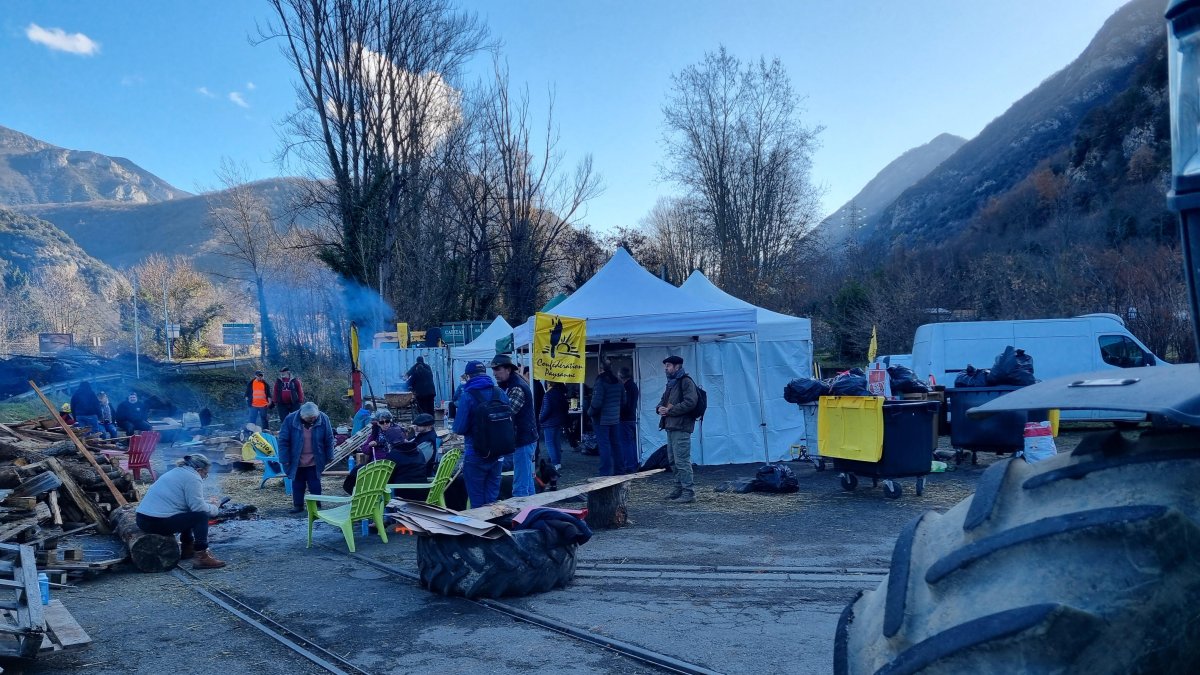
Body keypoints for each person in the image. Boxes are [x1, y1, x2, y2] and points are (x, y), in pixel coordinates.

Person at [135, 454, 226, 569]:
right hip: (155, 522)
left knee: (188, 513)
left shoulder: (178, 471)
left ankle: (187, 548)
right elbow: (199, 508)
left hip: (143, 518)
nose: (205, 477)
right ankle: (201, 556)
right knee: (201, 516)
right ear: (199, 470)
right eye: (205, 473)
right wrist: (215, 508)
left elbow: (185, 501)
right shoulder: (193, 477)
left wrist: (207, 502)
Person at [453, 361, 509, 507]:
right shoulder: (500, 392)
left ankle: (482, 528)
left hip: (475, 453)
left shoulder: (468, 395)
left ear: (468, 376)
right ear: (485, 373)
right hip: (498, 453)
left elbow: (459, 428)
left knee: (477, 501)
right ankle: (495, 526)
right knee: (492, 499)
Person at [491, 354, 537, 497]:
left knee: (520, 485)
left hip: (524, 439)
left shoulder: (517, 387)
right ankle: (533, 509)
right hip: (525, 437)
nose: (494, 373)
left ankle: (520, 513)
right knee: (527, 480)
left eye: (497, 369)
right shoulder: (511, 385)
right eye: (493, 369)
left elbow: (507, 413)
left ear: (508, 369)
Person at [278, 402, 334, 514]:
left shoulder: (323, 418)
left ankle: (317, 506)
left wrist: (330, 456)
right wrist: (284, 459)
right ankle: (298, 506)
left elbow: (329, 438)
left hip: (315, 458)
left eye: (314, 418)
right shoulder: (290, 419)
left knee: (315, 484)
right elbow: (283, 440)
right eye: (309, 418)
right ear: (301, 416)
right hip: (296, 459)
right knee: (298, 483)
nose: (312, 420)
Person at [657, 355, 699, 503]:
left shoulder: (686, 382)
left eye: (668, 366)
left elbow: (691, 402)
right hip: (671, 426)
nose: (666, 368)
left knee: (682, 460)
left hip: (681, 426)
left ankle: (688, 492)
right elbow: (663, 401)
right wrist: (660, 408)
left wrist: (670, 411)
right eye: (666, 366)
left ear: (677, 367)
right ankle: (679, 488)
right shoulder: (672, 383)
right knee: (673, 460)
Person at [589, 359, 624, 476]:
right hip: (615, 418)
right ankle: (619, 470)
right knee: (616, 444)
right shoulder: (618, 381)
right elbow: (624, 401)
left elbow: (597, 403)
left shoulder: (600, 381)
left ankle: (605, 472)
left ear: (600, 369)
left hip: (601, 419)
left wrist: (589, 412)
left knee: (604, 445)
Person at [539, 381, 569, 469]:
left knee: (549, 443)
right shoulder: (561, 394)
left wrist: (540, 419)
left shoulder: (548, 394)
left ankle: (554, 463)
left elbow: (546, 410)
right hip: (559, 421)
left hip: (549, 422)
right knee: (556, 442)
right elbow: (566, 408)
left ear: (550, 384)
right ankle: (558, 462)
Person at [618, 367, 640, 473]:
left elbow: (626, 405)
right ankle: (634, 464)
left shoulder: (627, 387)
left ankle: (629, 466)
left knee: (626, 442)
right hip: (631, 418)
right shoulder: (633, 386)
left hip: (625, 419)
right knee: (631, 442)